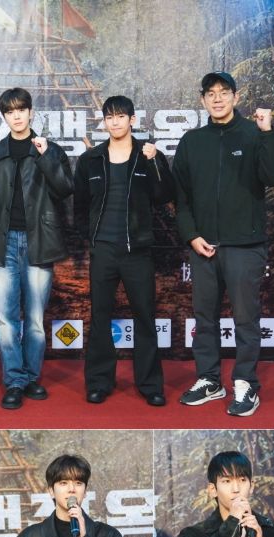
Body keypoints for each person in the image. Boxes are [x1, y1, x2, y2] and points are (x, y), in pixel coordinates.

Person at [173, 71, 274, 416]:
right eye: (211, 93)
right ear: (203, 100)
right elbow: (181, 197)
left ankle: (245, 383)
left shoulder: (255, 133)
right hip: (203, 246)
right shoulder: (192, 141)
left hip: (245, 246)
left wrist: (268, 132)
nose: (218, 98)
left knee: (245, 319)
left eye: (224, 92)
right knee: (204, 318)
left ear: (236, 97)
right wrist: (192, 235)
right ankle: (209, 380)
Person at [0, 87, 74, 410]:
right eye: (10, 111)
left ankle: (31, 377)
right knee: (5, 318)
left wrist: (45, 157)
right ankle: (15, 381)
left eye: (21, 110)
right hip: (2, 243)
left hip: (39, 241)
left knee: (34, 318)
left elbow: (65, 189)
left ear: (31, 112)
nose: (16, 116)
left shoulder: (50, 150)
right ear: (4, 116)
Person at [74, 95, 174, 407]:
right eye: (110, 117)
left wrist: (155, 162)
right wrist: (91, 239)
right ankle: (99, 382)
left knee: (145, 317)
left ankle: (150, 385)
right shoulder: (90, 160)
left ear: (132, 119)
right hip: (103, 250)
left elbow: (164, 195)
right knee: (99, 317)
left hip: (137, 252)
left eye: (120, 116)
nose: (115, 122)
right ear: (104, 121)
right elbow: (79, 206)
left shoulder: (147, 154)